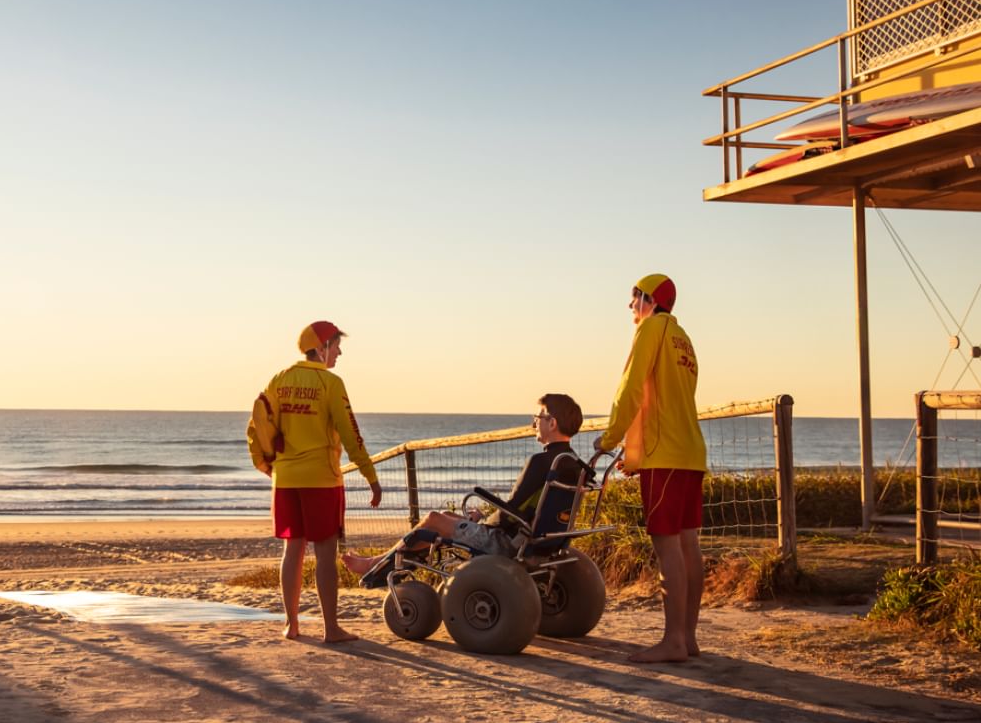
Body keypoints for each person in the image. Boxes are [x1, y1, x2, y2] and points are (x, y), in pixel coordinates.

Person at [342, 393, 584, 587]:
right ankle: (379, 561)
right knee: (448, 518)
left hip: (510, 543)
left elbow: (510, 511)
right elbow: (531, 510)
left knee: (433, 519)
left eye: (538, 417)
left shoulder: (541, 462)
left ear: (552, 423)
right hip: (546, 542)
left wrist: (485, 521)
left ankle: (376, 566)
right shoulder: (573, 464)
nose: (534, 423)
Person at [595, 274, 707, 663]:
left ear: (649, 300)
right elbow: (665, 401)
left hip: (668, 457)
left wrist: (610, 438)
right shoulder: (683, 339)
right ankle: (688, 637)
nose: (630, 307)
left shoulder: (649, 330)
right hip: (691, 453)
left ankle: (673, 640)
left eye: (634, 298)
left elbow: (631, 389)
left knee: (666, 547)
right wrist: (636, 454)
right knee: (689, 545)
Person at [262, 321, 382, 642]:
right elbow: (351, 433)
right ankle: (331, 628)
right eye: (336, 345)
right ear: (321, 348)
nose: (339, 351)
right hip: (321, 479)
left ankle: (292, 624)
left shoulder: (279, 380)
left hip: (285, 479)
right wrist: (371, 476)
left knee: (293, 549)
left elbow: (263, 426)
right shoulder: (330, 383)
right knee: (325, 552)